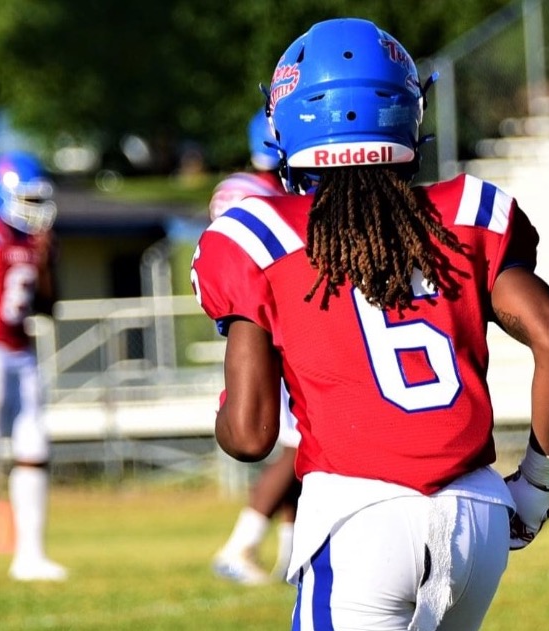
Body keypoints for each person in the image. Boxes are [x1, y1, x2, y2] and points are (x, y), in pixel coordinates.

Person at [191, 17, 549, 631]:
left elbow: (249, 436)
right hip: (476, 514)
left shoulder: (256, 234)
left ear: (287, 121)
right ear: (407, 110)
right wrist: (536, 487)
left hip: (359, 517)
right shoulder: (466, 214)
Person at [209, 109, 301, 585]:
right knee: (299, 445)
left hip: (258, 326)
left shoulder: (246, 187)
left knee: (300, 447)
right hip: (269, 329)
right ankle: (239, 545)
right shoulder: (259, 194)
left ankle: (291, 557)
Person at [0, 150, 67, 581]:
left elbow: (47, 306)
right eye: (27, 198)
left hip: (21, 350)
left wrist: (44, 262)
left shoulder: (33, 241)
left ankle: (30, 555)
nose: (36, 209)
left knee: (34, 448)